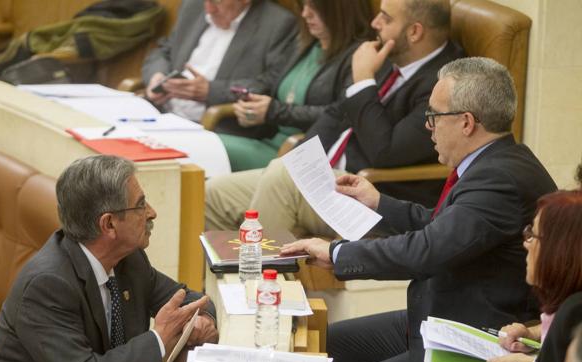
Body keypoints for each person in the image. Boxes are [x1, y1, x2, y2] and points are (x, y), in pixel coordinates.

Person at [280, 57, 557, 362]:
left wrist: (338, 254)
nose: (429, 126)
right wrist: (379, 202)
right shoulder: (495, 162)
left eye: (434, 116)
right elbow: (444, 227)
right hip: (435, 316)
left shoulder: (499, 180)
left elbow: (428, 250)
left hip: (471, 335)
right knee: (322, 345)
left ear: (466, 122)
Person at [205, 0, 464, 238]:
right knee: (212, 194)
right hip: (328, 179)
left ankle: (258, 286)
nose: (375, 24)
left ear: (415, 32)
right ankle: (213, 284)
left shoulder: (443, 84)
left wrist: (363, 80)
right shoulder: (390, 56)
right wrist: (301, 160)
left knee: (280, 180)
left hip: (372, 196)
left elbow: (385, 152)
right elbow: (335, 113)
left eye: (385, 18)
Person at [0, 155, 218, 362]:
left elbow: (192, 300)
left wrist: (200, 321)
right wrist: (159, 338)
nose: (152, 213)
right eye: (140, 205)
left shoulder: (130, 260)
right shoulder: (47, 285)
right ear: (109, 224)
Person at [219, 0, 375, 171]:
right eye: (303, 6)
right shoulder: (306, 43)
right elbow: (269, 81)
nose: (305, 14)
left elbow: (341, 115)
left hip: (301, 154)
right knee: (202, 146)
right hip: (269, 142)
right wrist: (250, 101)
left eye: (315, 8)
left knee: (203, 151)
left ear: (342, 10)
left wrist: (274, 111)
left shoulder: (360, 56)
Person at [142, 0, 298, 139]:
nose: (208, 9)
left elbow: (269, 83)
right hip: (161, 114)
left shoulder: (277, 23)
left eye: (217, 2)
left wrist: (210, 91)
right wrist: (157, 76)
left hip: (215, 127)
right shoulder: (193, 5)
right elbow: (165, 50)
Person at [485, 190, 582, 362]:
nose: (526, 243)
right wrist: (533, 334)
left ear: (559, 249)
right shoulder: (569, 305)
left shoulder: (575, 310)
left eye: (533, 235)